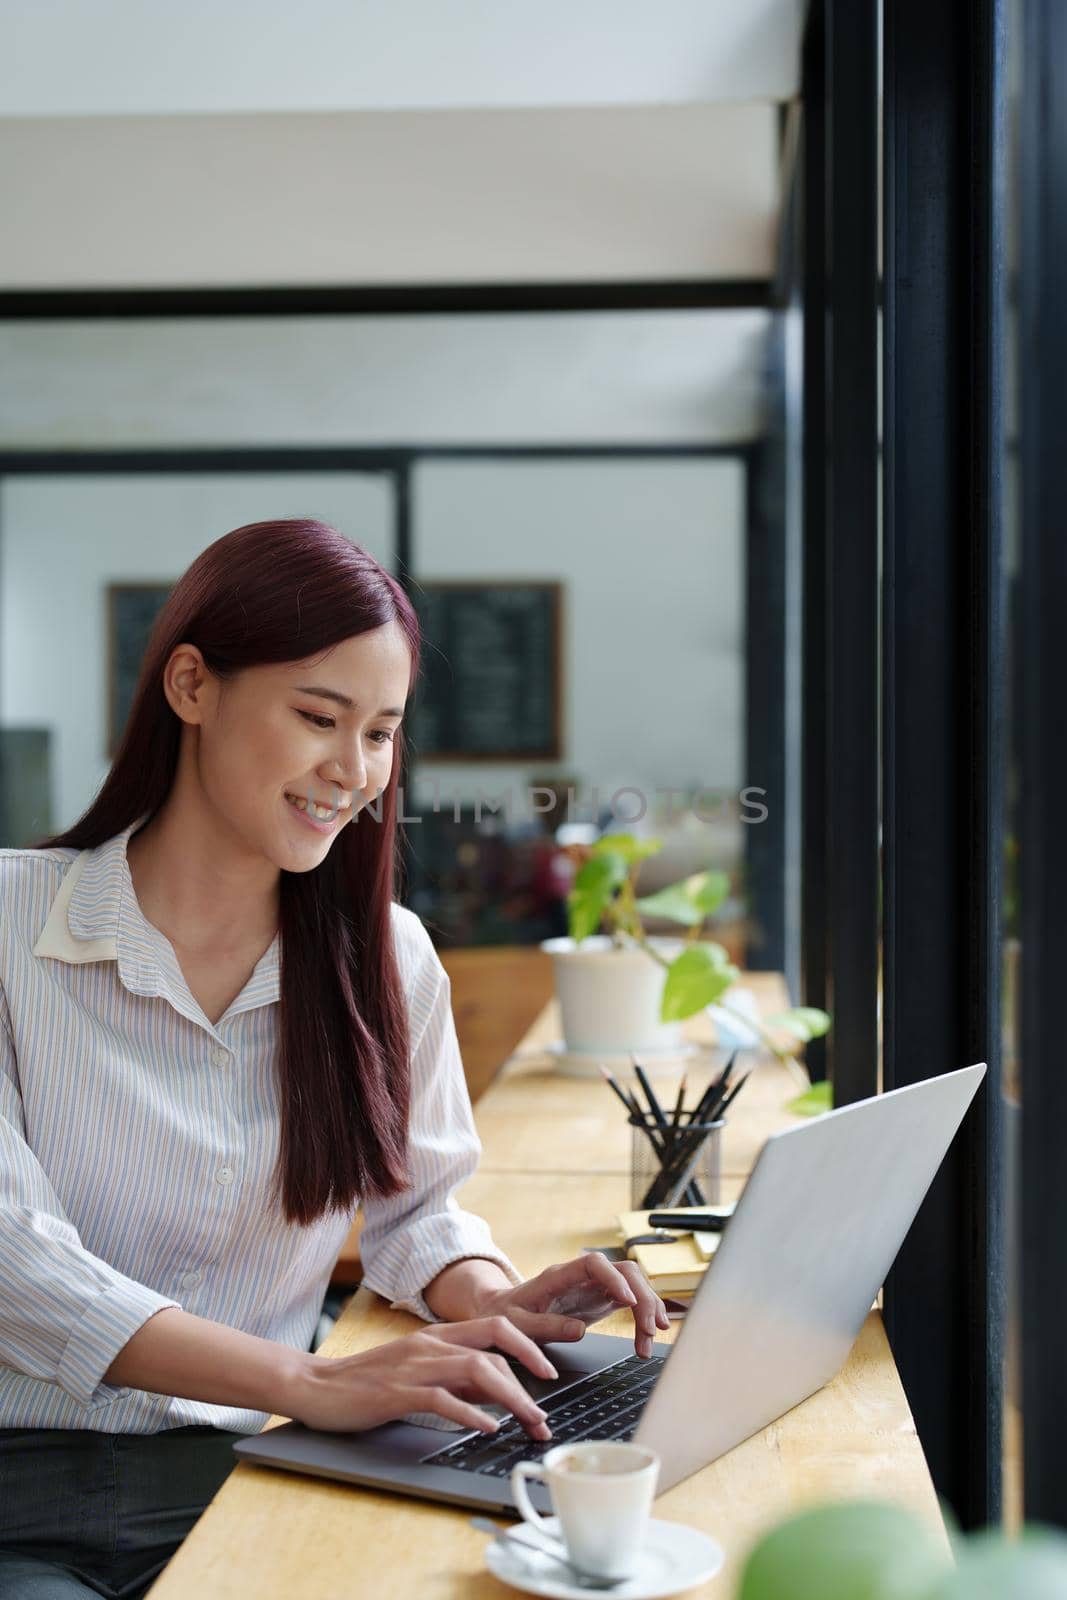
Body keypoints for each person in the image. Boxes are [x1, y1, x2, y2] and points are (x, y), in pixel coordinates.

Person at [0, 520, 667, 1599]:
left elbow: (419, 1212)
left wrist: (491, 1299)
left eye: (381, 733)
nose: (350, 771)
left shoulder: (386, 958)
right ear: (190, 686)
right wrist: (311, 1379)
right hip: (22, 1488)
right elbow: (15, 1268)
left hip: (247, 1471)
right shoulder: (8, 927)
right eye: (318, 717)